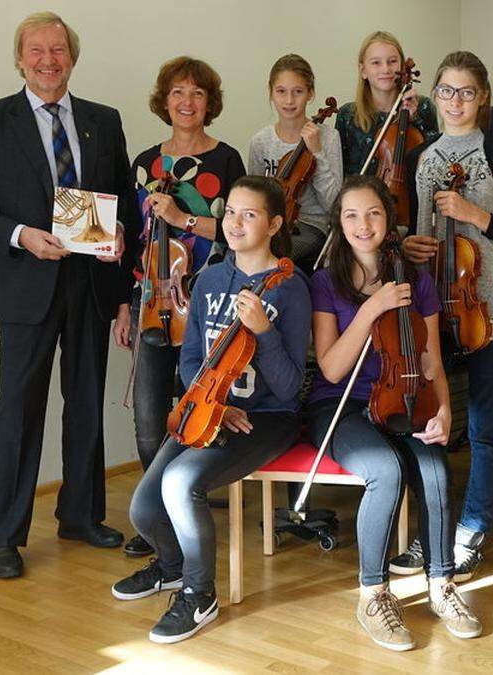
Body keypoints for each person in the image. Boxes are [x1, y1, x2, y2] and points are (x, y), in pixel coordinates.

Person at [0, 11, 134, 579]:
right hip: (23, 288)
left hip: (90, 284)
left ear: (72, 58)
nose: (49, 60)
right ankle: (3, 537)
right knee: (18, 410)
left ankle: (81, 515)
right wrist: (20, 235)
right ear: (20, 58)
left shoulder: (103, 121)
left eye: (59, 50)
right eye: (38, 50)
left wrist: (122, 229)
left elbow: (122, 197)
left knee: (85, 403)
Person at [111, 176, 311, 643]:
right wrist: (212, 405)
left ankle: (200, 595)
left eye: (250, 214)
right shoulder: (210, 279)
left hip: (267, 418)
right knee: (143, 507)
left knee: (181, 484)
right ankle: (172, 567)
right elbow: (189, 360)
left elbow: (287, 389)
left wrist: (262, 331)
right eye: (231, 212)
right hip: (209, 409)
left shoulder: (290, 287)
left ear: (275, 223)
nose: (236, 223)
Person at [310, 175, 480, 650]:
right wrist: (372, 308)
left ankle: (441, 585)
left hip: (404, 398)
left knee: (435, 468)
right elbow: (330, 367)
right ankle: (373, 594)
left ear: (389, 220)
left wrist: (442, 409)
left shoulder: (417, 280)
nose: (363, 225)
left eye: (373, 213)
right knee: (384, 470)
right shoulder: (325, 282)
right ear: (338, 224)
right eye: (351, 215)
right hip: (340, 406)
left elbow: (431, 362)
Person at [400, 50, 493, 581]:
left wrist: (477, 214)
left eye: (466, 92)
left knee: (484, 421)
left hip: (492, 305)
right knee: (427, 420)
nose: (455, 101)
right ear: (435, 96)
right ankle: (431, 529)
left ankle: (472, 529)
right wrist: (413, 244)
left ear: (482, 97)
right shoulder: (423, 156)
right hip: (435, 304)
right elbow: (421, 231)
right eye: (446, 91)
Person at [116, 56, 245, 558]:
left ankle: (189, 506)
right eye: (177, 92)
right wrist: (124, 305)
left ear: (208, 103)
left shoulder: (227, 160)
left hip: (207, 301)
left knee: (203, 405)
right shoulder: (145, 163)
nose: (186, 102)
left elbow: (238, 232)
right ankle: (157, 520)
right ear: (164, 101)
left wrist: (185, 219)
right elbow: (132, 239)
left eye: (196, 93)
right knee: (149, 417)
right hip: (150, 301)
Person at [247, 53, 343, 269]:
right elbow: (252, 200)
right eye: (281, 92)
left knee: (279, 256)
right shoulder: (260, 142)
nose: (289, 101)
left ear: (310, 93)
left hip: (310, 226)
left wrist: (317, 152)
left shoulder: (328, 137)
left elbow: (334, 204)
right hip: (268, 226)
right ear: (271, 92)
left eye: (297, 92)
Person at [335, 31, 440, 177]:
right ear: (363, 70)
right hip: (362, 197)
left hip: (409, 197)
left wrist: (415, 119)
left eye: (392, 61)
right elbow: (342, 173)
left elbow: (435, 161)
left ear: (402, 66)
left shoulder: (424, 107)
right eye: (376, 62)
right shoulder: (347, 114)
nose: (385, 69)